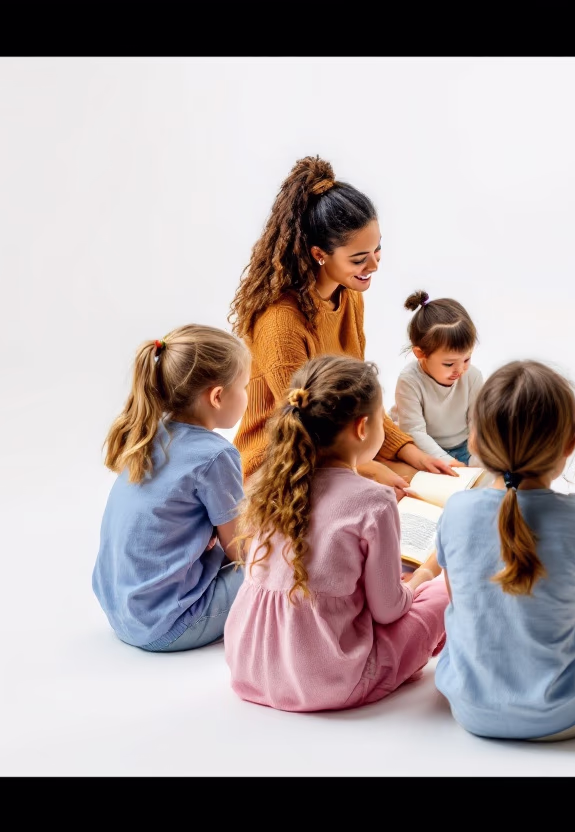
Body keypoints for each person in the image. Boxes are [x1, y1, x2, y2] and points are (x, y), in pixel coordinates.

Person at [435, 360, 575, 741]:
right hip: (568, 713)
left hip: (470, 711)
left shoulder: (456, 510)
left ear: (475, 442)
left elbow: (459, 601)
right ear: (571, 445)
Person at [224, 355, 448, 712]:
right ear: (363, 428)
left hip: (251, 668)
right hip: (332, 679)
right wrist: (424, 573)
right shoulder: (374, 500)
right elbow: (388, 611)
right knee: (441, 595)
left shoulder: (268, 486)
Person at [228, 155, 454, 496]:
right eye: (359, 259)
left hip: (341, 446)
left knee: (426, 482)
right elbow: (305, 424)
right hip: (282, 460)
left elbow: (357, 396)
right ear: (320, 254)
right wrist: (367, 468)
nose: (374, 265)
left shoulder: (348, 296)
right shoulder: (280, 321)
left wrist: (411, 452)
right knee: (391, 495)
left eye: (377, 250)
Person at [93, 324, 251, 652]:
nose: (248, 396)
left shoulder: (150, 434)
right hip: (169, 625)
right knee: (275, 562)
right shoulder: (216, 455)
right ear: (217, 396)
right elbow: (242, 551)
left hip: (121, 612)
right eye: (246, 386)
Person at [391, 290, 483, 466]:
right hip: (423, 449)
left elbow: (477, 424)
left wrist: (477, 459)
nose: (460, 369)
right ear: (420, 354)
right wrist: (447, 461)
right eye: (449, 364)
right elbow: (414, 431)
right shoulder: (410, 381)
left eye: (467, 359)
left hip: (464, 447)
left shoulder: (473, 377)